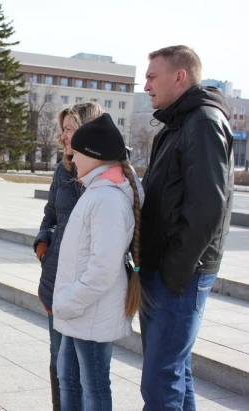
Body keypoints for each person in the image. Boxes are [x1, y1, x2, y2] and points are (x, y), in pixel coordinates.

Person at [139, 45, 234, 410]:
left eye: (152, 76)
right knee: (173, 373)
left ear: (179, 77)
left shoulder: (204, 122)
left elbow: (209, 207)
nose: (146, 85)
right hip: (163, 270)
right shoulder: (178, 121)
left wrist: (174, 272)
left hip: (179, 274)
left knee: (160, 382)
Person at [52, 113, 144, 411]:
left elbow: (102, 268)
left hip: (88, 312)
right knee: (69, 379)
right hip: (80, 313)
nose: (72, 156)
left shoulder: (108, 198)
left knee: (93, 388)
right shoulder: (98, 190)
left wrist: (69, 302)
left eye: (77, 151)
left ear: (93, 154)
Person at [33, 102, 104, 410]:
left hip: (87, 283)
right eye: (62, 129)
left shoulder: (105, 175)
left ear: (87, 132)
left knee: (87, 370)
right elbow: (50, 214)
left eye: (69, 129)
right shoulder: (62, 169)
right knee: (58, 357)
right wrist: (42, 244)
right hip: (55, 276)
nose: (62, 136)